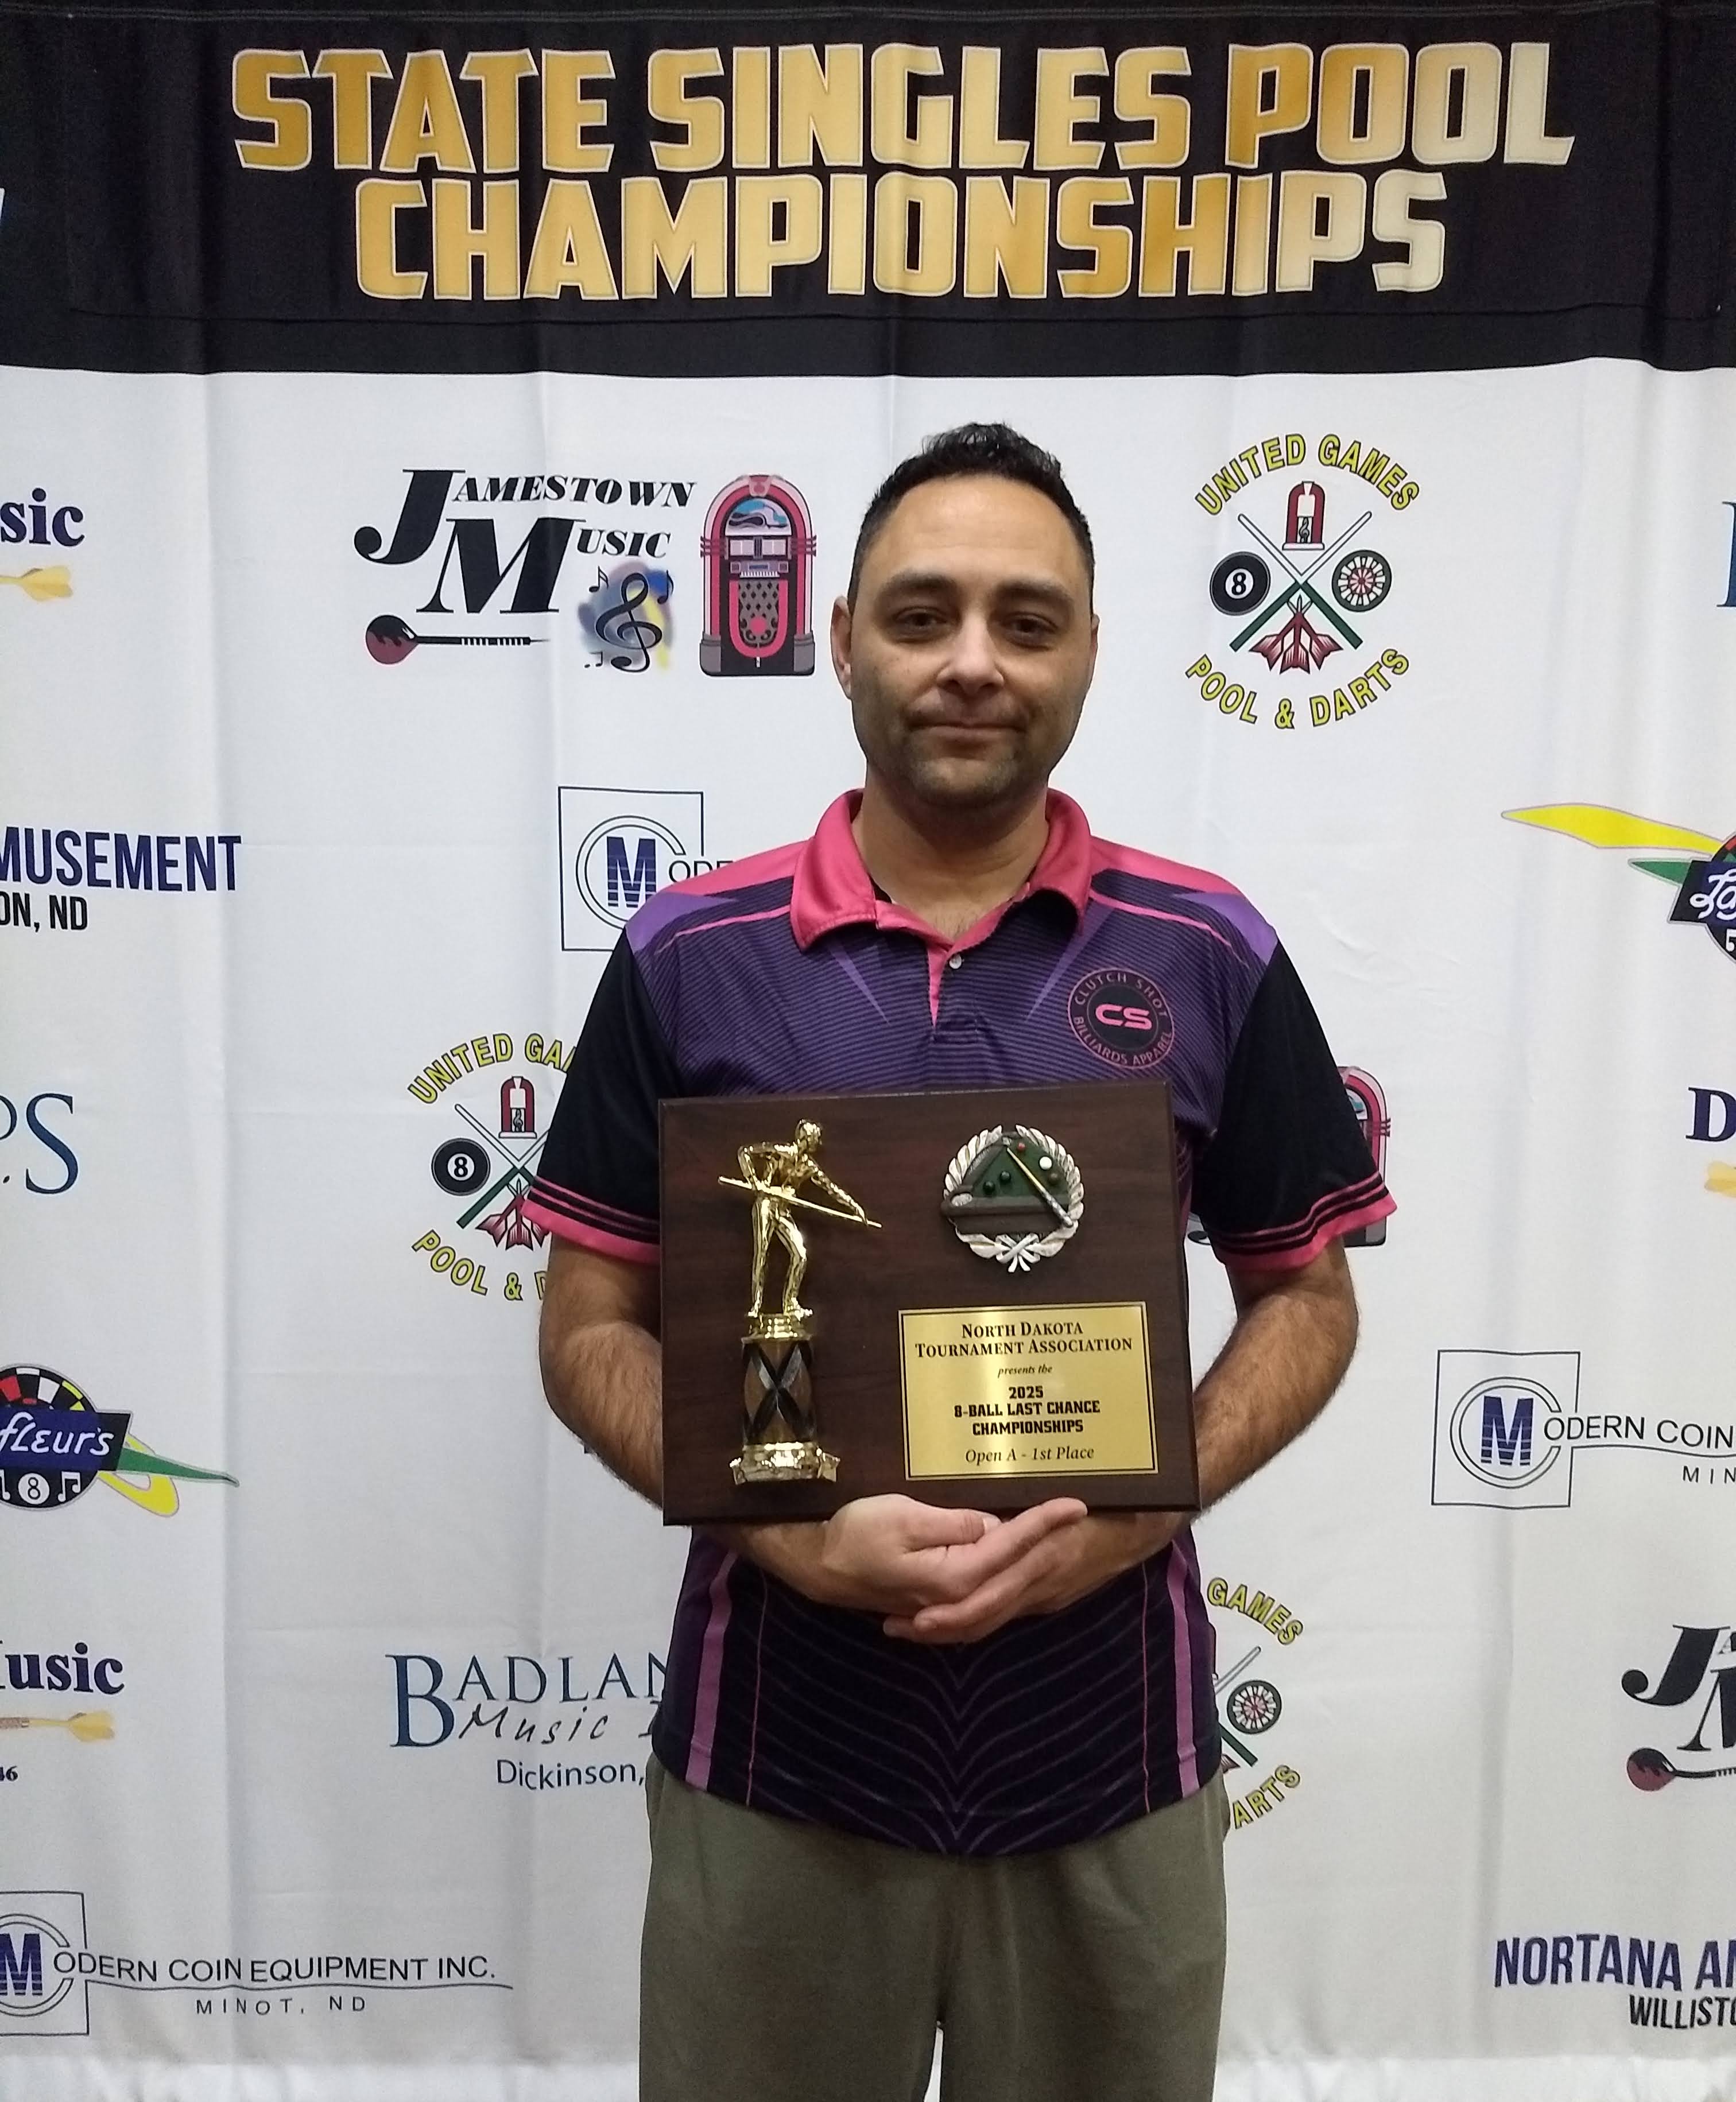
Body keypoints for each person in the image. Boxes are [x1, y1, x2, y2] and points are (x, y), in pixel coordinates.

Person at [528, 423, 1393, 2102]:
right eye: (923, 616)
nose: (974, 662)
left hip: (1109, 1766)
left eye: (1028, 619)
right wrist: (788, 1533)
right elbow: (587, 1322)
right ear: (840, 638)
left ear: (1090, 650)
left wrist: (1133, 1514)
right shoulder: (688, 955)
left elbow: (1308, 1295)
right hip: (775, 1764)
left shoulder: (1206, 951)